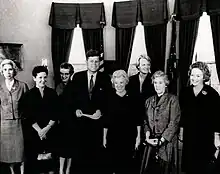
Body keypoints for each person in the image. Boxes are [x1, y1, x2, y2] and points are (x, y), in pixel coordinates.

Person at [64, 49, 112, 173]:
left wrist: (101, 111)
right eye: (91, 61)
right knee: (80, 158)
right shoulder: (78, 77)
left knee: (96, 157)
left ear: (100, 63)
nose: (94, 64)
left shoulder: (105, 78)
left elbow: (109, 101)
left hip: (97, 125)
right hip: (80, 124)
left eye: (97, 61)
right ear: (86, 62)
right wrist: (75, 110)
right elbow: (70, 99)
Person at [179, 61, 220, 174]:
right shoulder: (185, 92)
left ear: (204, 77)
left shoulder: (212, 94)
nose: (194, 78)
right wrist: (181, 131)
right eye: (192, 75)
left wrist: (217, 137)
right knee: (189, 167)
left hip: (205, 136)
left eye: (198, 75)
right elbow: (182, 114)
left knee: (203, 166)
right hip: (189, 135)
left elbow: (217, 118)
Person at [140, 70, 180, 174]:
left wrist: (161, 140)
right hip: (151, 143)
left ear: (166, 84)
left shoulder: (173, 100)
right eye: (155, 83)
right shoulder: (149, 101)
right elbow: (145, 122)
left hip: (167, 143)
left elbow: (174, 123)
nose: (157, 86)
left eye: (160, 83)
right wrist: (148, 137)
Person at [103, 70, 142, 174]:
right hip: (113, 137)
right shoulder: (109, 98)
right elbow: (106, 120)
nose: (119, 85)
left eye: (121, 82)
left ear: (126, 82)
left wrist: (138, 137)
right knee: (113, 166)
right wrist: (104, 138)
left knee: (128, 165)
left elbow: (138, 119)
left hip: (129, 136)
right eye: (116, 83)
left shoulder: (133, 98)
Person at [22, 66, 59, 174]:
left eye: (44, 77)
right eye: (40, 78)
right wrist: (40, 131)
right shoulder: (28, 95)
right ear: (34, 78)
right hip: (34, 133)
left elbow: (56, 113)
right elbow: (27, 115)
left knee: (50, 163)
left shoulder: (52, 93)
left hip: (50, 131)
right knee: (37, 163)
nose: (43, 80)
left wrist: (47, 128)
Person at [0, 59, 29, 174]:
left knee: (20, 151)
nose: (8, 72)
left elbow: (28, 106)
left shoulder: (22, 86)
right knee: (8, 152)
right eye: (5, 70)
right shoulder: (0, 87)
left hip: (19, 123)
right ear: (2, 72)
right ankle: (12, 171)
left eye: (10, 69)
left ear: (14, 71)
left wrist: (23, 117)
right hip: (4, 124)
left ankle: (22, 172)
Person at [127, 54, 155, 171]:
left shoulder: (153, 80)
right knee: (132, 144)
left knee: (145, 147)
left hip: (147, 117)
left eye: (148, 64)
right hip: (132, 116)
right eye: (143, 64)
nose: (146, 67)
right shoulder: (131, 79)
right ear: (138, 66)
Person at [56, 62, 74, 174]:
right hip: (61, 122)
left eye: (66, 74)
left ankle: (68, 170)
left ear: (71, 74)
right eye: (62, 74)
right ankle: (61, 170)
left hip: (72, 121)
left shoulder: (75, 86)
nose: (63, 76)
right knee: (62, 147)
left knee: (71, 147)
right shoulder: (58, 86)